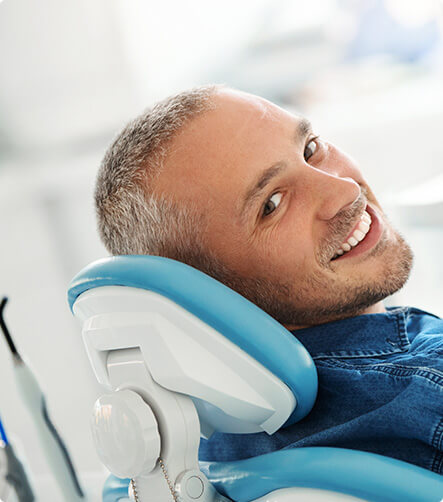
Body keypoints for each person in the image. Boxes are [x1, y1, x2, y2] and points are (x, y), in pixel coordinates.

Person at [94, 85, 443, 475]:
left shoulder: (214, 447)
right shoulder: (427, 390)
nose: (343, 190)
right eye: (272, 204)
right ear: (211, 294)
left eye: (311, 148)